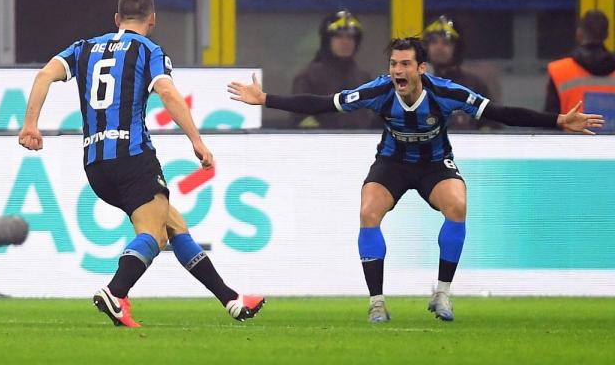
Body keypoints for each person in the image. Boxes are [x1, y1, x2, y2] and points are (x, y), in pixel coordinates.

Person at [228, 37, 603, 323]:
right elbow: (322, 103)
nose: (398, 71)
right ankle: (377, 303)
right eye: (393, 64)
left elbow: (502, 113)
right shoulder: (378, 92)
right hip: (392, 163)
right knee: (368, 212)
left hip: (434, 164)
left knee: (457, 204)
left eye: (406, 64)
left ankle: (442, 293)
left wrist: (557, 121)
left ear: (421, 68)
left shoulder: (448, 93)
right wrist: (266, 100)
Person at [18, 0, 264, 327]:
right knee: (155, 233)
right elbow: (167, 92)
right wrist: (197, 141)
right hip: (133, 157)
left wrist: (30, 124)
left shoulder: (84, 48)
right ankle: (116, 291)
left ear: (117, 20)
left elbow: (44, 74)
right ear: (153, 19)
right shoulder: (149, 50)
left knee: (174, 225)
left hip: (96, 164)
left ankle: (231, 300)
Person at [290, 10, 374, 129]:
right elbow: (299, 123)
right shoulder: (308, 78)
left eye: (350, 37)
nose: (345, 42)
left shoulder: (364, 78)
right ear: (327, 41)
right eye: (339, 36)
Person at [424, 15, 494, 130]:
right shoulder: (414, 85)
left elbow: (491, 126)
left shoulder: (473, 86)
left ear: (456, 49)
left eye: (446, 43)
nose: (439, 47)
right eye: (434, 42)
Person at [545, 9, 615, 115]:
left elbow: (551, 118)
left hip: (571, 132)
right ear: (607, 35)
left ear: (579, 33)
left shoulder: (560, 70)